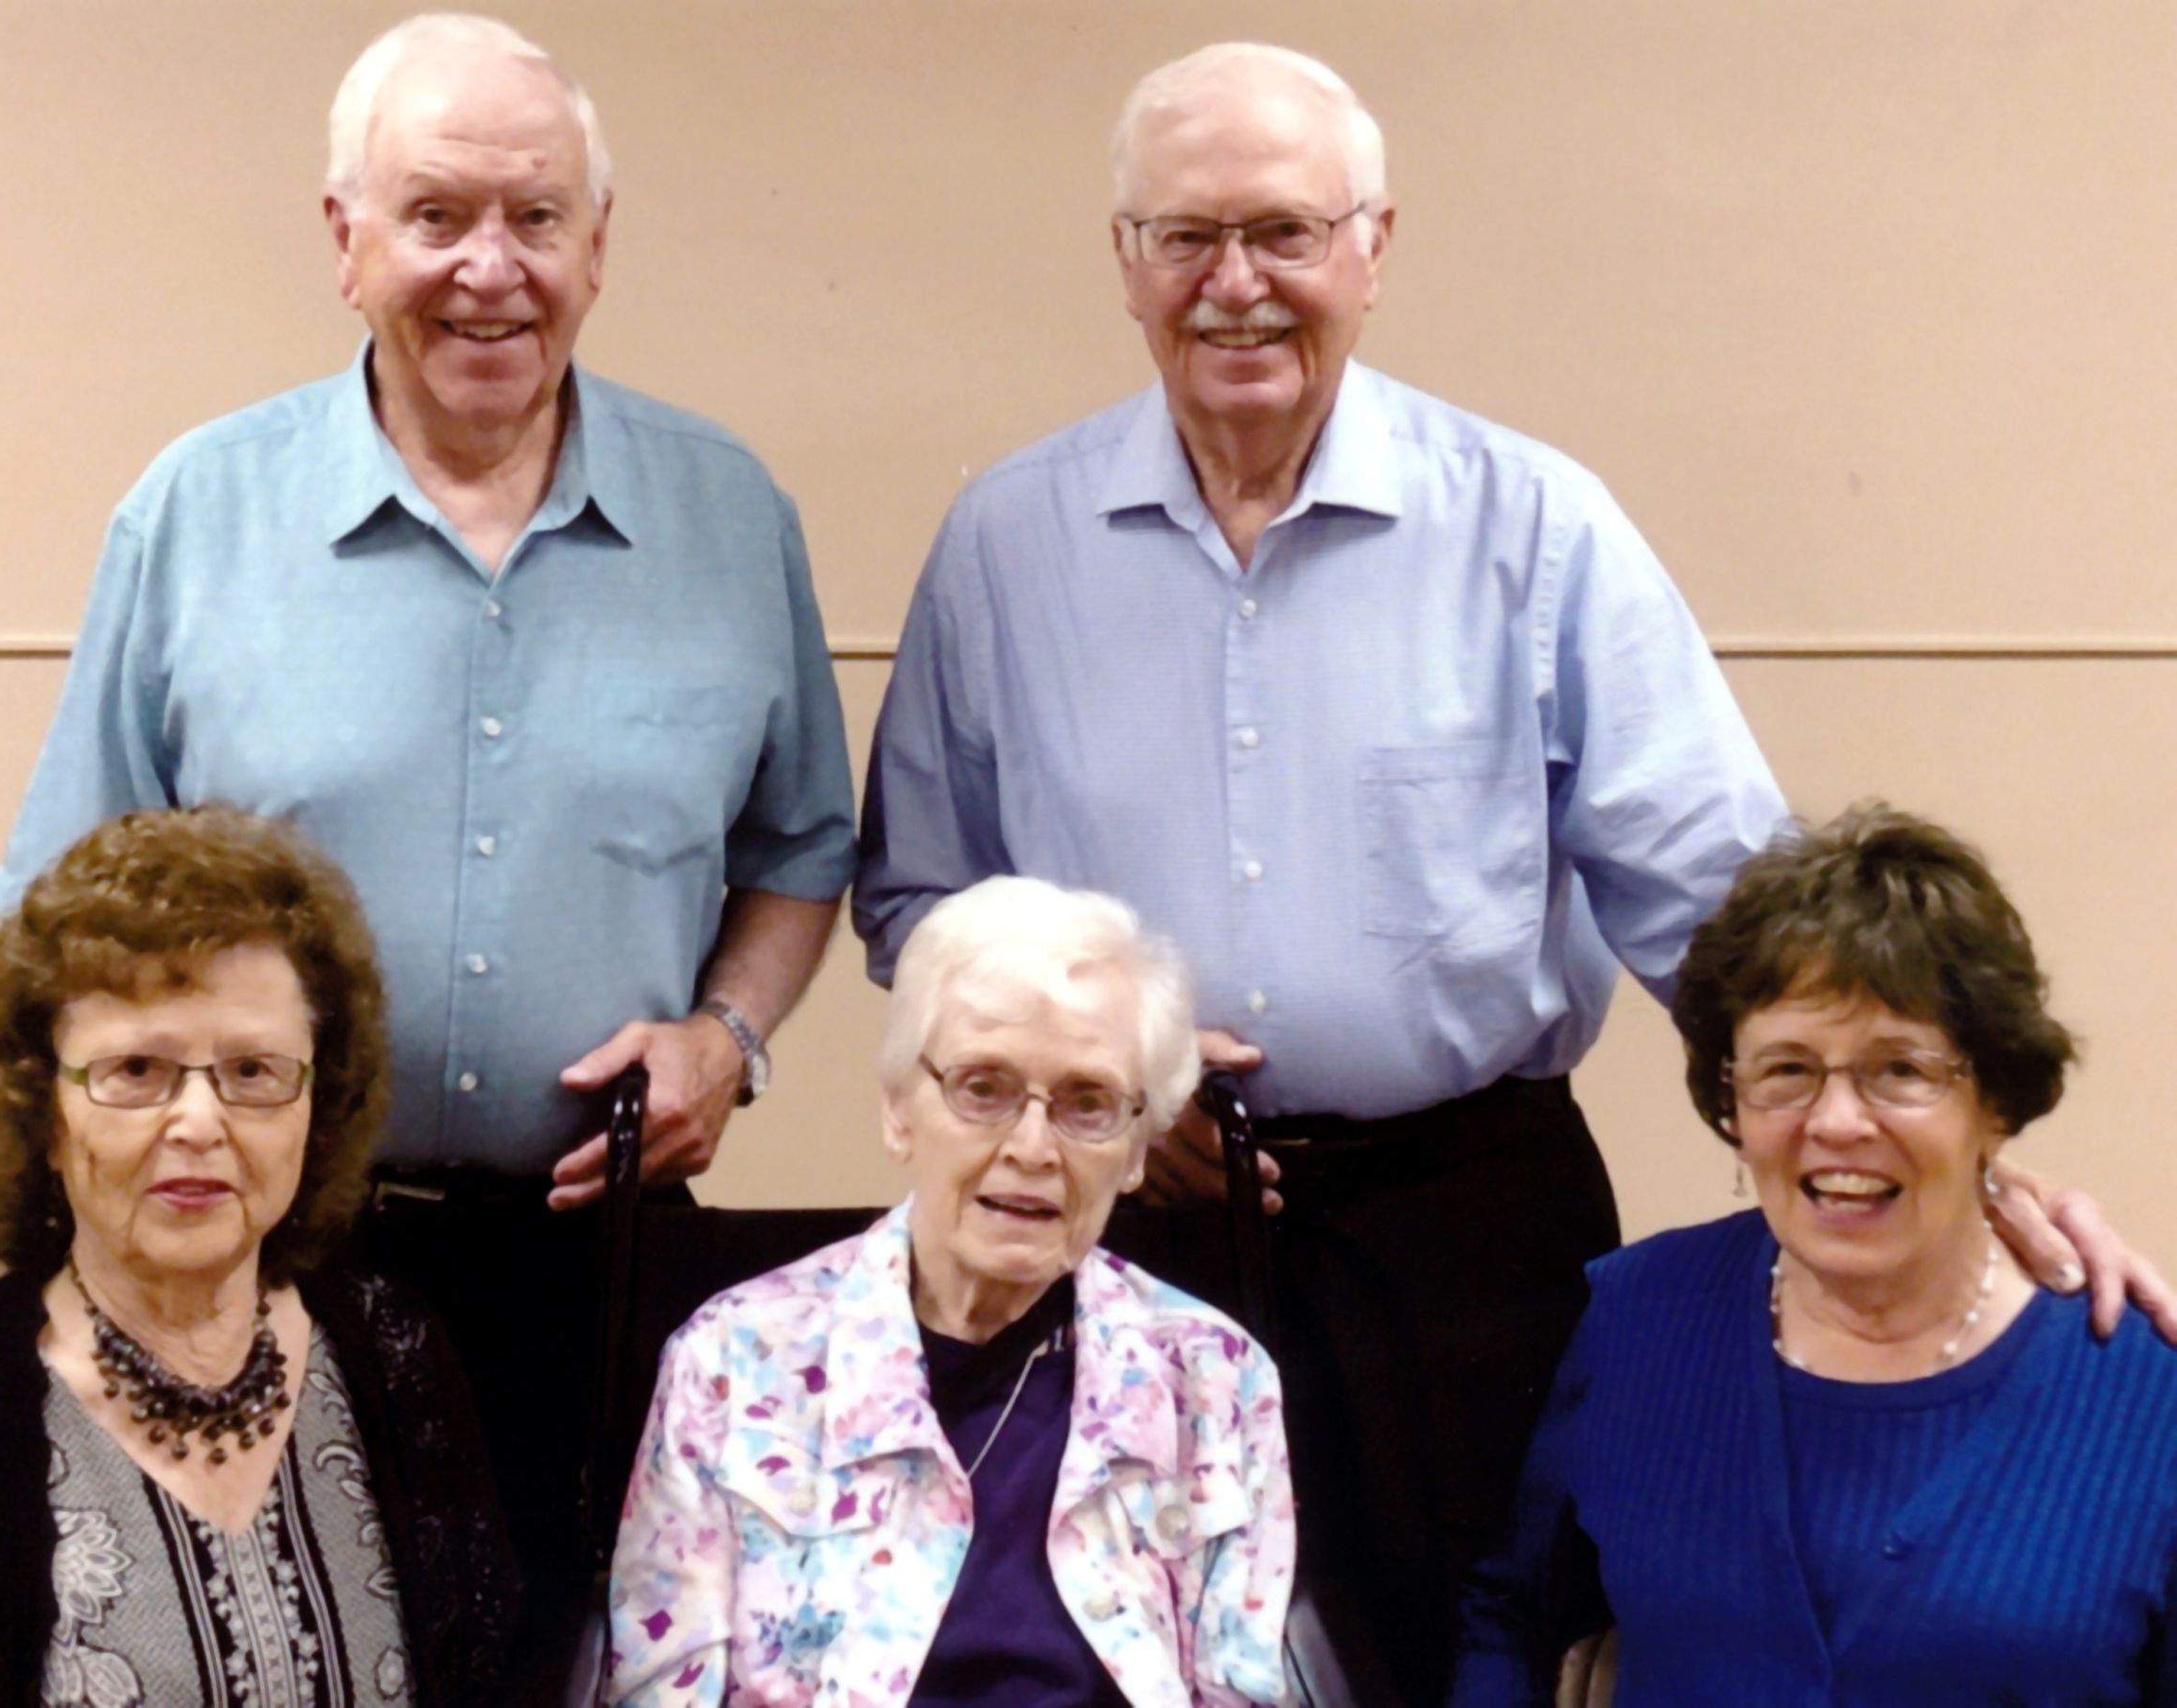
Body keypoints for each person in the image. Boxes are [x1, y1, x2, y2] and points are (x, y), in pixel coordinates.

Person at [851, 40, 2169, 1701]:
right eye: (1186, 237)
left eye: (1286, 232)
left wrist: (1963, 1179)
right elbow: (917, 900)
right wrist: (1105, 1080)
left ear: (1374, 247)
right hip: (1124, 1224)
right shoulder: (1004, 543)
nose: (1236, 284)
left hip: (1460, 1235)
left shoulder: (1535, 527)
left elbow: (1749, 931)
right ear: (1125, 262)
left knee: (1469, 1650)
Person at [0, 12, 855, 1602]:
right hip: (258, 1267)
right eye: (437, 216)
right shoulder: (198, 512)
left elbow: (801, 849)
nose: (490, 268)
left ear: (599, 245)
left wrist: (727, 1040)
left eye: (537, 218)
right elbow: (63, 917)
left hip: (603, 1275)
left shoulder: (730, 515)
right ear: (347, 239)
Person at [0, 806, 517, 1705]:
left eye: (254, 1071)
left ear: (319, 1106)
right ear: (43, 1111)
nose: (199, 1122)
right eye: (136, 1072)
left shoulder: (398, 1358)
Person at [1450, 805, 2177, 1705]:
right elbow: (1509, 1621)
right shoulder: (1639, 1319)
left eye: (1900, 1070)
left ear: (1996, 1097)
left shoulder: (2145, 1395)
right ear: (1734, 1102)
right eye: (1787, 1069)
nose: (1836, 1122)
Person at [605, 877, 1295, 1706]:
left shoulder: (1216, 1379)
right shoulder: (731, 1361)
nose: (1034, 1147)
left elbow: (1244, 1688)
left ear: (1139, 1148)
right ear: (898, 1109)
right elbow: (660, 1688)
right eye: (984, 1088)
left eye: (1089, 1103)